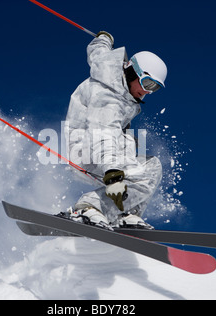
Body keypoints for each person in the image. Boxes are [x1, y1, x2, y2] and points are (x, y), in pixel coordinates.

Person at [64, 31, 167, 230]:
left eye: (154, 88)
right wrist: (112, 170)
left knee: (152, 166)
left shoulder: (113, 77)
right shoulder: (109, 94)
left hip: (105, 153)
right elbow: (102, 133)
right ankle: (89, 206)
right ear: (133, 71)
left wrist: (103, 39)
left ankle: (125, 212)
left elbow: (100, 53)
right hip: (91, 151)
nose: (147, 91)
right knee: (141, 171)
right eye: (147, 83)